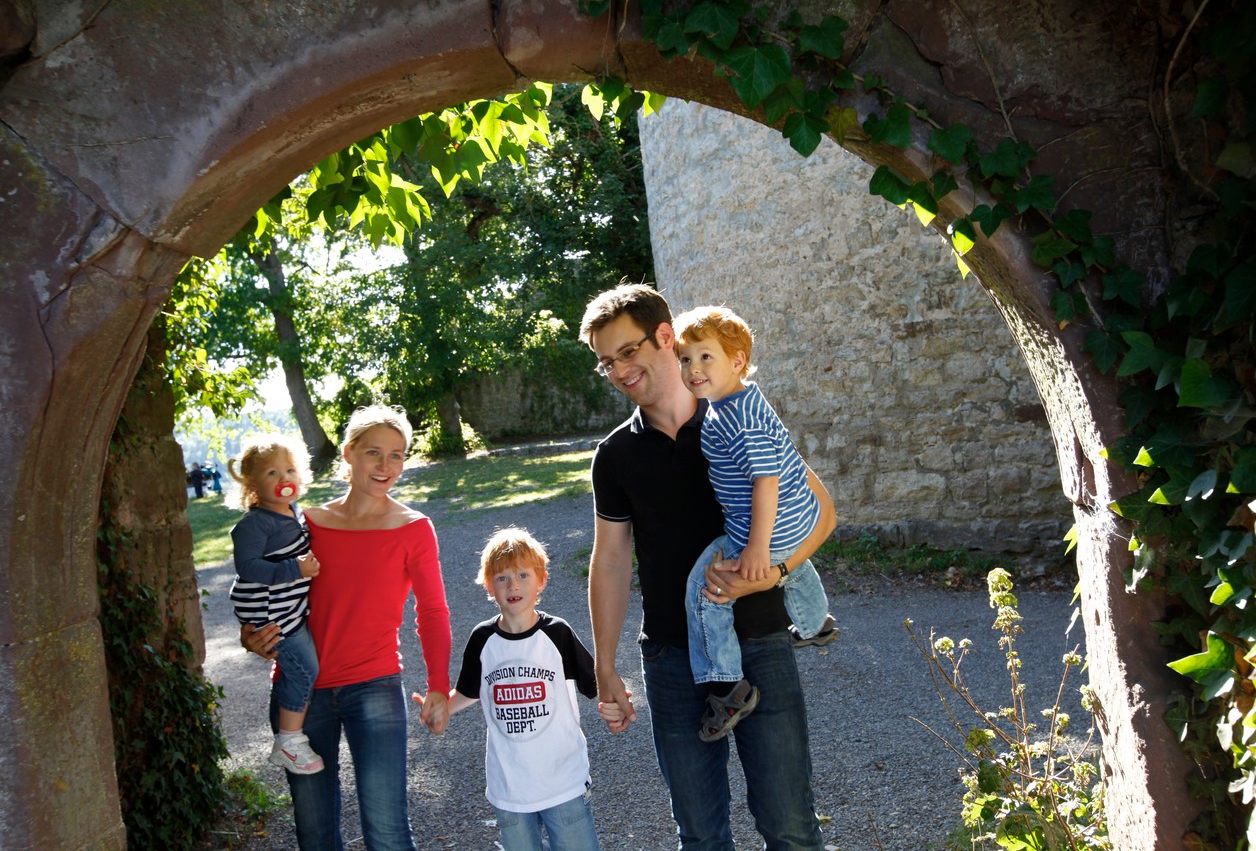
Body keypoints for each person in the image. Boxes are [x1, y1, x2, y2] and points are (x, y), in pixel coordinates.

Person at [579, 282, 835, 849]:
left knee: (791, 828)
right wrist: (605, 666)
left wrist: (776, 571)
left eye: (628, 351)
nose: (619, 370)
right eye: (606, 362)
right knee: (699, 837)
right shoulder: (615, 455)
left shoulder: (737, 414)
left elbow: (823, 512)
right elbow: (612, 559)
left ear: (664, 336)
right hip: (671, 658)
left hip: (760, 641)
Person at [241, 405, 452, 851]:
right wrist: (250, 633)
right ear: (348, 453)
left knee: (388, 833)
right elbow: (260, 582)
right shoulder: (308, 523)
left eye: (397, 455)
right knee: (315, 835)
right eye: (374, 452)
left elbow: (432, 611)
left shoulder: (414, 528)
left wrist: (438, 685)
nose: (385, 465)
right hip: (301, 692)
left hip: (375, 686)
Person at [672, 305, 838, 741]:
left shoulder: (736, 418)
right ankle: (815, 623)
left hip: (768, 525)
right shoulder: (742, 399)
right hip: (799, 516)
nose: (693, 368)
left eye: (705, 357)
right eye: (685, 359)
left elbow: (765, 481)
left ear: (738, 360)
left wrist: (757, 547)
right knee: (793, 561)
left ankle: (727, 685)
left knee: (706, 589)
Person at [433, 527, 600, 851]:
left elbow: (595, 684)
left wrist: (617, 702)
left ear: (541, 581)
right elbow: (468, 690)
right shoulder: (482, 639)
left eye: (523, 575)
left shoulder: (557, 634)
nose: (513, 585)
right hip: (509, 788)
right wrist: (443, 709)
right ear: (488, 585)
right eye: (502, 577)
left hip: (563, 782)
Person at [226, 434, 325, 774]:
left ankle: (290, 736)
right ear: (252, 485)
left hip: (286, 606)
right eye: (272, 473)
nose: (284, 478)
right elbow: (248, 567)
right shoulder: (255, 523)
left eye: (290, 470)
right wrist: (295, 569)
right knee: (304, 669)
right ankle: (288, 740)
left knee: (305, 665)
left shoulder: (292, 513)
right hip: (269, 611)